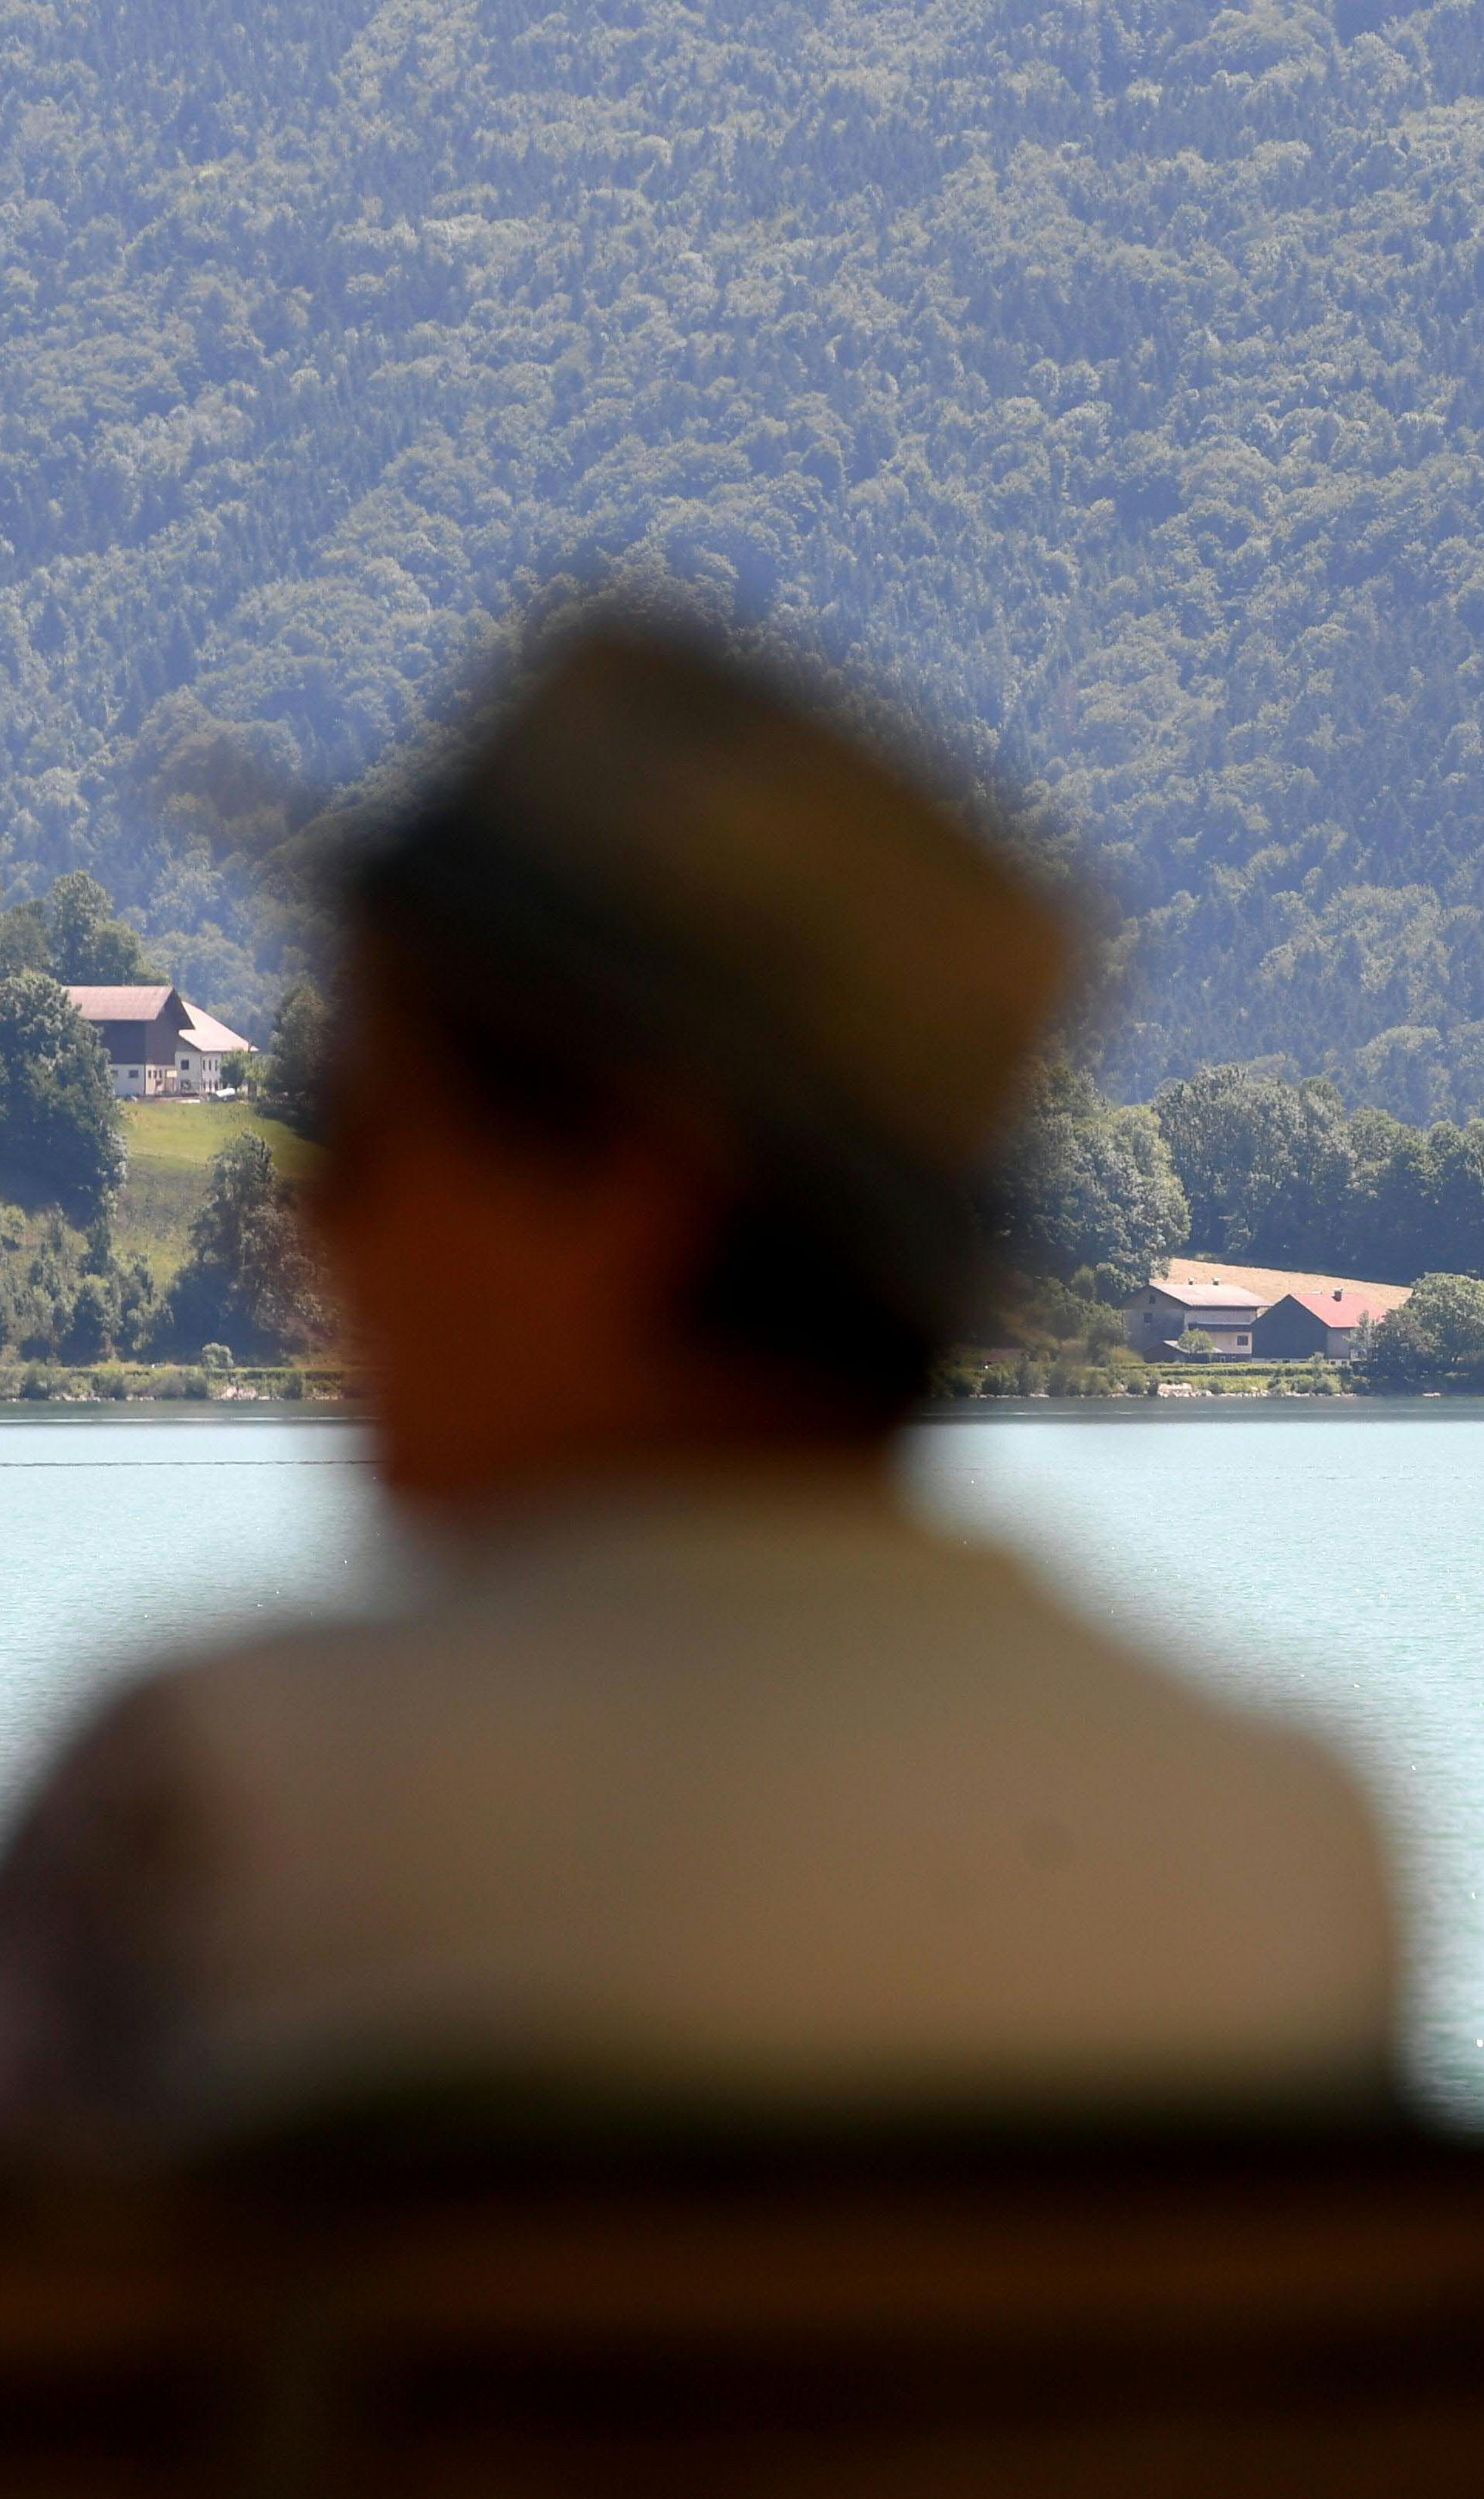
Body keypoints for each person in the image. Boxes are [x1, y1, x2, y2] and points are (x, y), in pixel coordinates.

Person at [0, 629, 1400, 2145]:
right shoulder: (1295, 1840)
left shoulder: (214, 1810)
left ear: (634, 1190)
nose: (301, 1216)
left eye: (352, 1120)